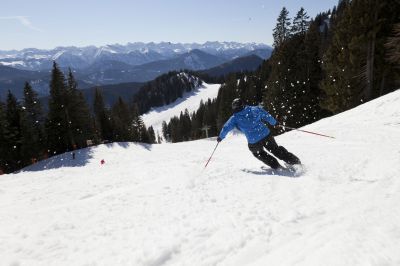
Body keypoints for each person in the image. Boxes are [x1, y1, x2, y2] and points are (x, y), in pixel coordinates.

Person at [217, 98, 301, 169]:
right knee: (275, 150)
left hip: (254, 141)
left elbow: (226, 128)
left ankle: (276, 166)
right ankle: (294, 162)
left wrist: (221, 137)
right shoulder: (255, 109)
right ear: (243, 104)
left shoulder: (234, 118)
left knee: (259, 153)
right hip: (266, 135)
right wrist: (275, 123)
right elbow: (267, 116)